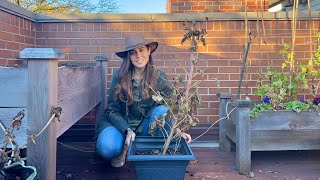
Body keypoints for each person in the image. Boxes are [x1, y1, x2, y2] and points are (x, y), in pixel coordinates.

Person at [95, 34, 192, 167]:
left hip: (144, 126)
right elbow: (112, 110)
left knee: (162, 110)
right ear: (128, 57)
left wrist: (177, 130)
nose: (138, 56)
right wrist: (127, 129)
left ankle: (144, 150)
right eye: (132, 53)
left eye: (141, 50)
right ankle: (122, 147)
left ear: (148, 51)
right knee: (107, 148)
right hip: (119, 126)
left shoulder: (159, 76)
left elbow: (169, 108)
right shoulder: (118, 76)